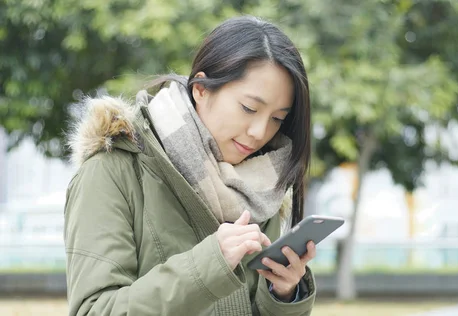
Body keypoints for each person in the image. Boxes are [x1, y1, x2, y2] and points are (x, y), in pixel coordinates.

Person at [64, 16, 316, 316]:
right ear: (201, 89)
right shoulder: (111, 172)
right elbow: (94, 311)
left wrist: (282, 294)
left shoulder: (262, 186)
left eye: (277, 118)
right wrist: (211, 263)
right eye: (249, 108)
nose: (260, 132)